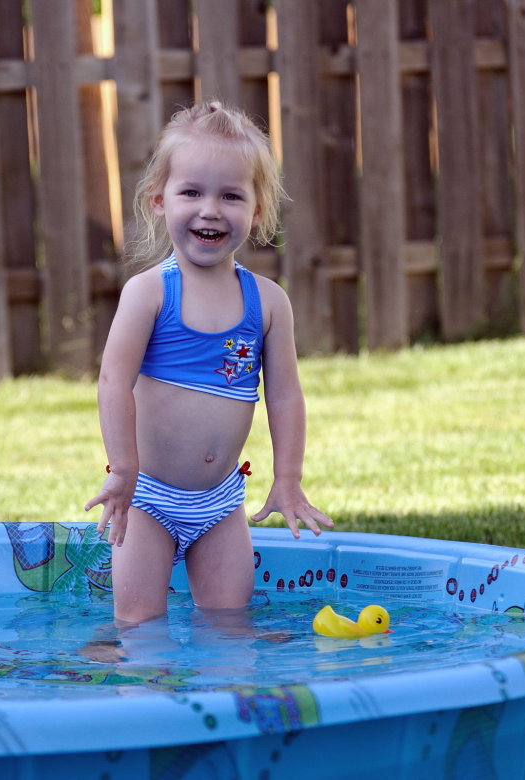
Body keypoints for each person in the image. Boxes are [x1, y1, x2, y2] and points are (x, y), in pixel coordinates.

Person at [85, 101, 333, 625]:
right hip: (146, 498)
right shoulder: (149, 292)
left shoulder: (267, 303)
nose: (210, 209)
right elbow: (113, 381)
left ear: (258, 210)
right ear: (159, 200)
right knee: (140, 630)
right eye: (192, 192)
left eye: (231, 195)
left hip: (220, 504)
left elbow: (285, 395)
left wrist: (286, 479)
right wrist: (122, 469)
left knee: (229, 631)